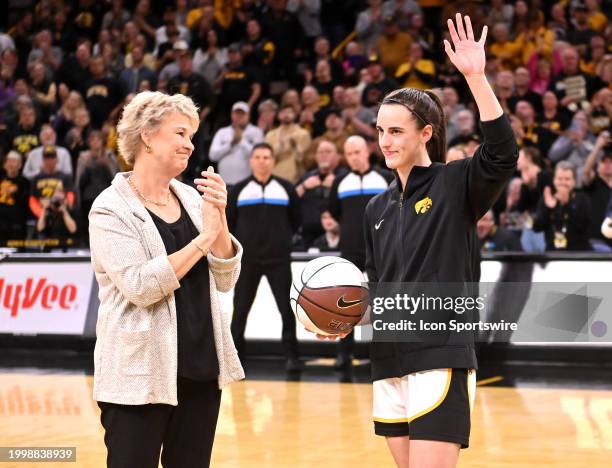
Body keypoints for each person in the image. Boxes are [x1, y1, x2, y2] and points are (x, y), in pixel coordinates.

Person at [319, 15, 518, 467]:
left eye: (396, 131)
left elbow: (503, 153)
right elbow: (376, 289)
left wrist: (476, 77)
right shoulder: (376, 208)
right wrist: (339, 316)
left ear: (425, 133)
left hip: (440, 353)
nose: (384, 141)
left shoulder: (455, 183)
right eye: (381, 131)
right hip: (387, 357)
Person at [88, 91, 244, 468]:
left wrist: (218, 219)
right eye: (180, 133)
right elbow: (141, 286)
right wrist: (204, 238)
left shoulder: (192, 198)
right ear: (146, 135)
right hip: (138, 378)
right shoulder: (110, 208)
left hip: (201, 370)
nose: (189, 145)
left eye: (191, 136)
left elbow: (225, 276)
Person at [227, 142, 302, 372]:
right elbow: (229, 223)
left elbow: (295, 220)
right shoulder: (238, 189)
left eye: (266, 157)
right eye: (257, 157)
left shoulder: (286, 188)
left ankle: (292, 357)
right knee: (240, 310)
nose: (262, 161)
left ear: (273, 161)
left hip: (278, 259)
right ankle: (234, 359)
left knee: (286, 309)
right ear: (251, 161)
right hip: (248, 260)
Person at [328, 135, 393, 369]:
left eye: (358, 152)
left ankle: (386, 350)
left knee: (385, 300)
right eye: (349, 153)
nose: (354, 157)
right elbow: (335, 212)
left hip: (383, 248)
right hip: (351, 249)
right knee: (346, 302)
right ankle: (344, 353)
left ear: (367, 151)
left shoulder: (386, 178)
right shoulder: (340, 182)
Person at [533, 161, 592, 251]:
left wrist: (566, 204)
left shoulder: (582, 199)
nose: (563, 183)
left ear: (574, 182)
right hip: (552, 253)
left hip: (579, 253)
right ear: (554, 180)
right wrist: (549, 208)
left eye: (567, 179)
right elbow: (537, 227)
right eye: (559, 179)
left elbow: (584, 227)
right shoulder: (547, 197)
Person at [209, 101, 264, 186]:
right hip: (224, 184)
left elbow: (259, 156)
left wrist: (241, 141)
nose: (239, 117)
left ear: (248, 116)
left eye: (242, 114)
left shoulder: (256, 132)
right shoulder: (222, 132)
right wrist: (230, 144)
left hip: (247, 184)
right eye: (236, 113)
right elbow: (212, 156)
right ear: (232, 115)